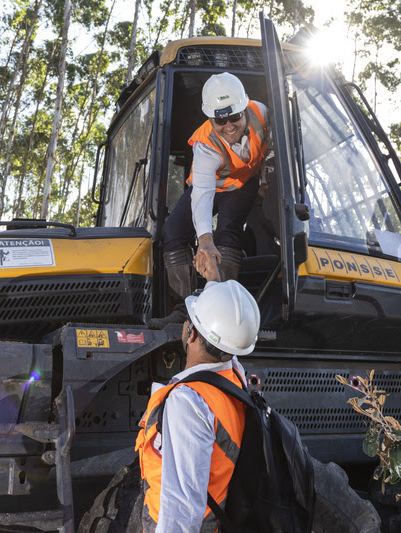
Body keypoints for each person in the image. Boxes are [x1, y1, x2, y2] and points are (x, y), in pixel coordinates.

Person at [134, 256, 261, 532]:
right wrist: (214, 281)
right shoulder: (234, 374)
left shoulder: (189, 402)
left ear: (190, 334)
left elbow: (181, 508)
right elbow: (227, 332)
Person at [160, 72, 273, 319]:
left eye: (235, 117)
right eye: (220, 121)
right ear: (211, 119)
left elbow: (272, 147)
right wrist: (204, 240)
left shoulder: (261, 114)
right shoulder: (205, 144)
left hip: (243, 185)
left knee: (228, 231)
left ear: (244, 108)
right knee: (173, 231)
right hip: (211, 187)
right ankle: (184, 309)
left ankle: (222, 307)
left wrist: (266, 179)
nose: (229, 126)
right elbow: (202, 194)